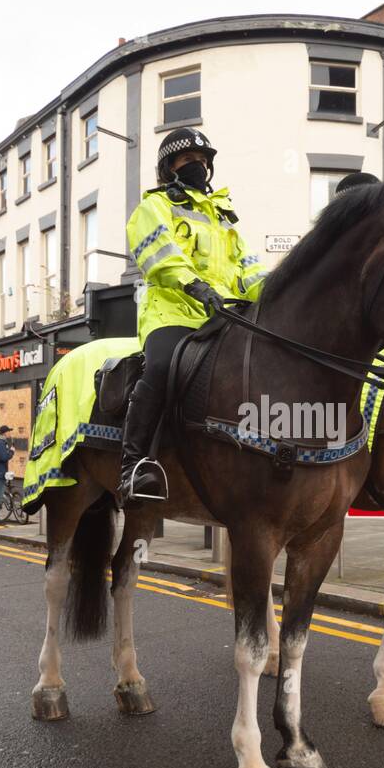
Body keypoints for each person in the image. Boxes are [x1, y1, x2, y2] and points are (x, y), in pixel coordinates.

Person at [119, 127, 267, 504]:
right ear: (170, 168)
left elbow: (249, 269)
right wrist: (195, 286)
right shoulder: (155, 206)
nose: (198, 167)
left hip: (224, 317)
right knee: (163, 367)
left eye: (202, 162)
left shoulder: (224, 218)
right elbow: (161, 256)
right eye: (188, 161)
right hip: (173, 312)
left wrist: (278, 294)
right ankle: (135, 465)